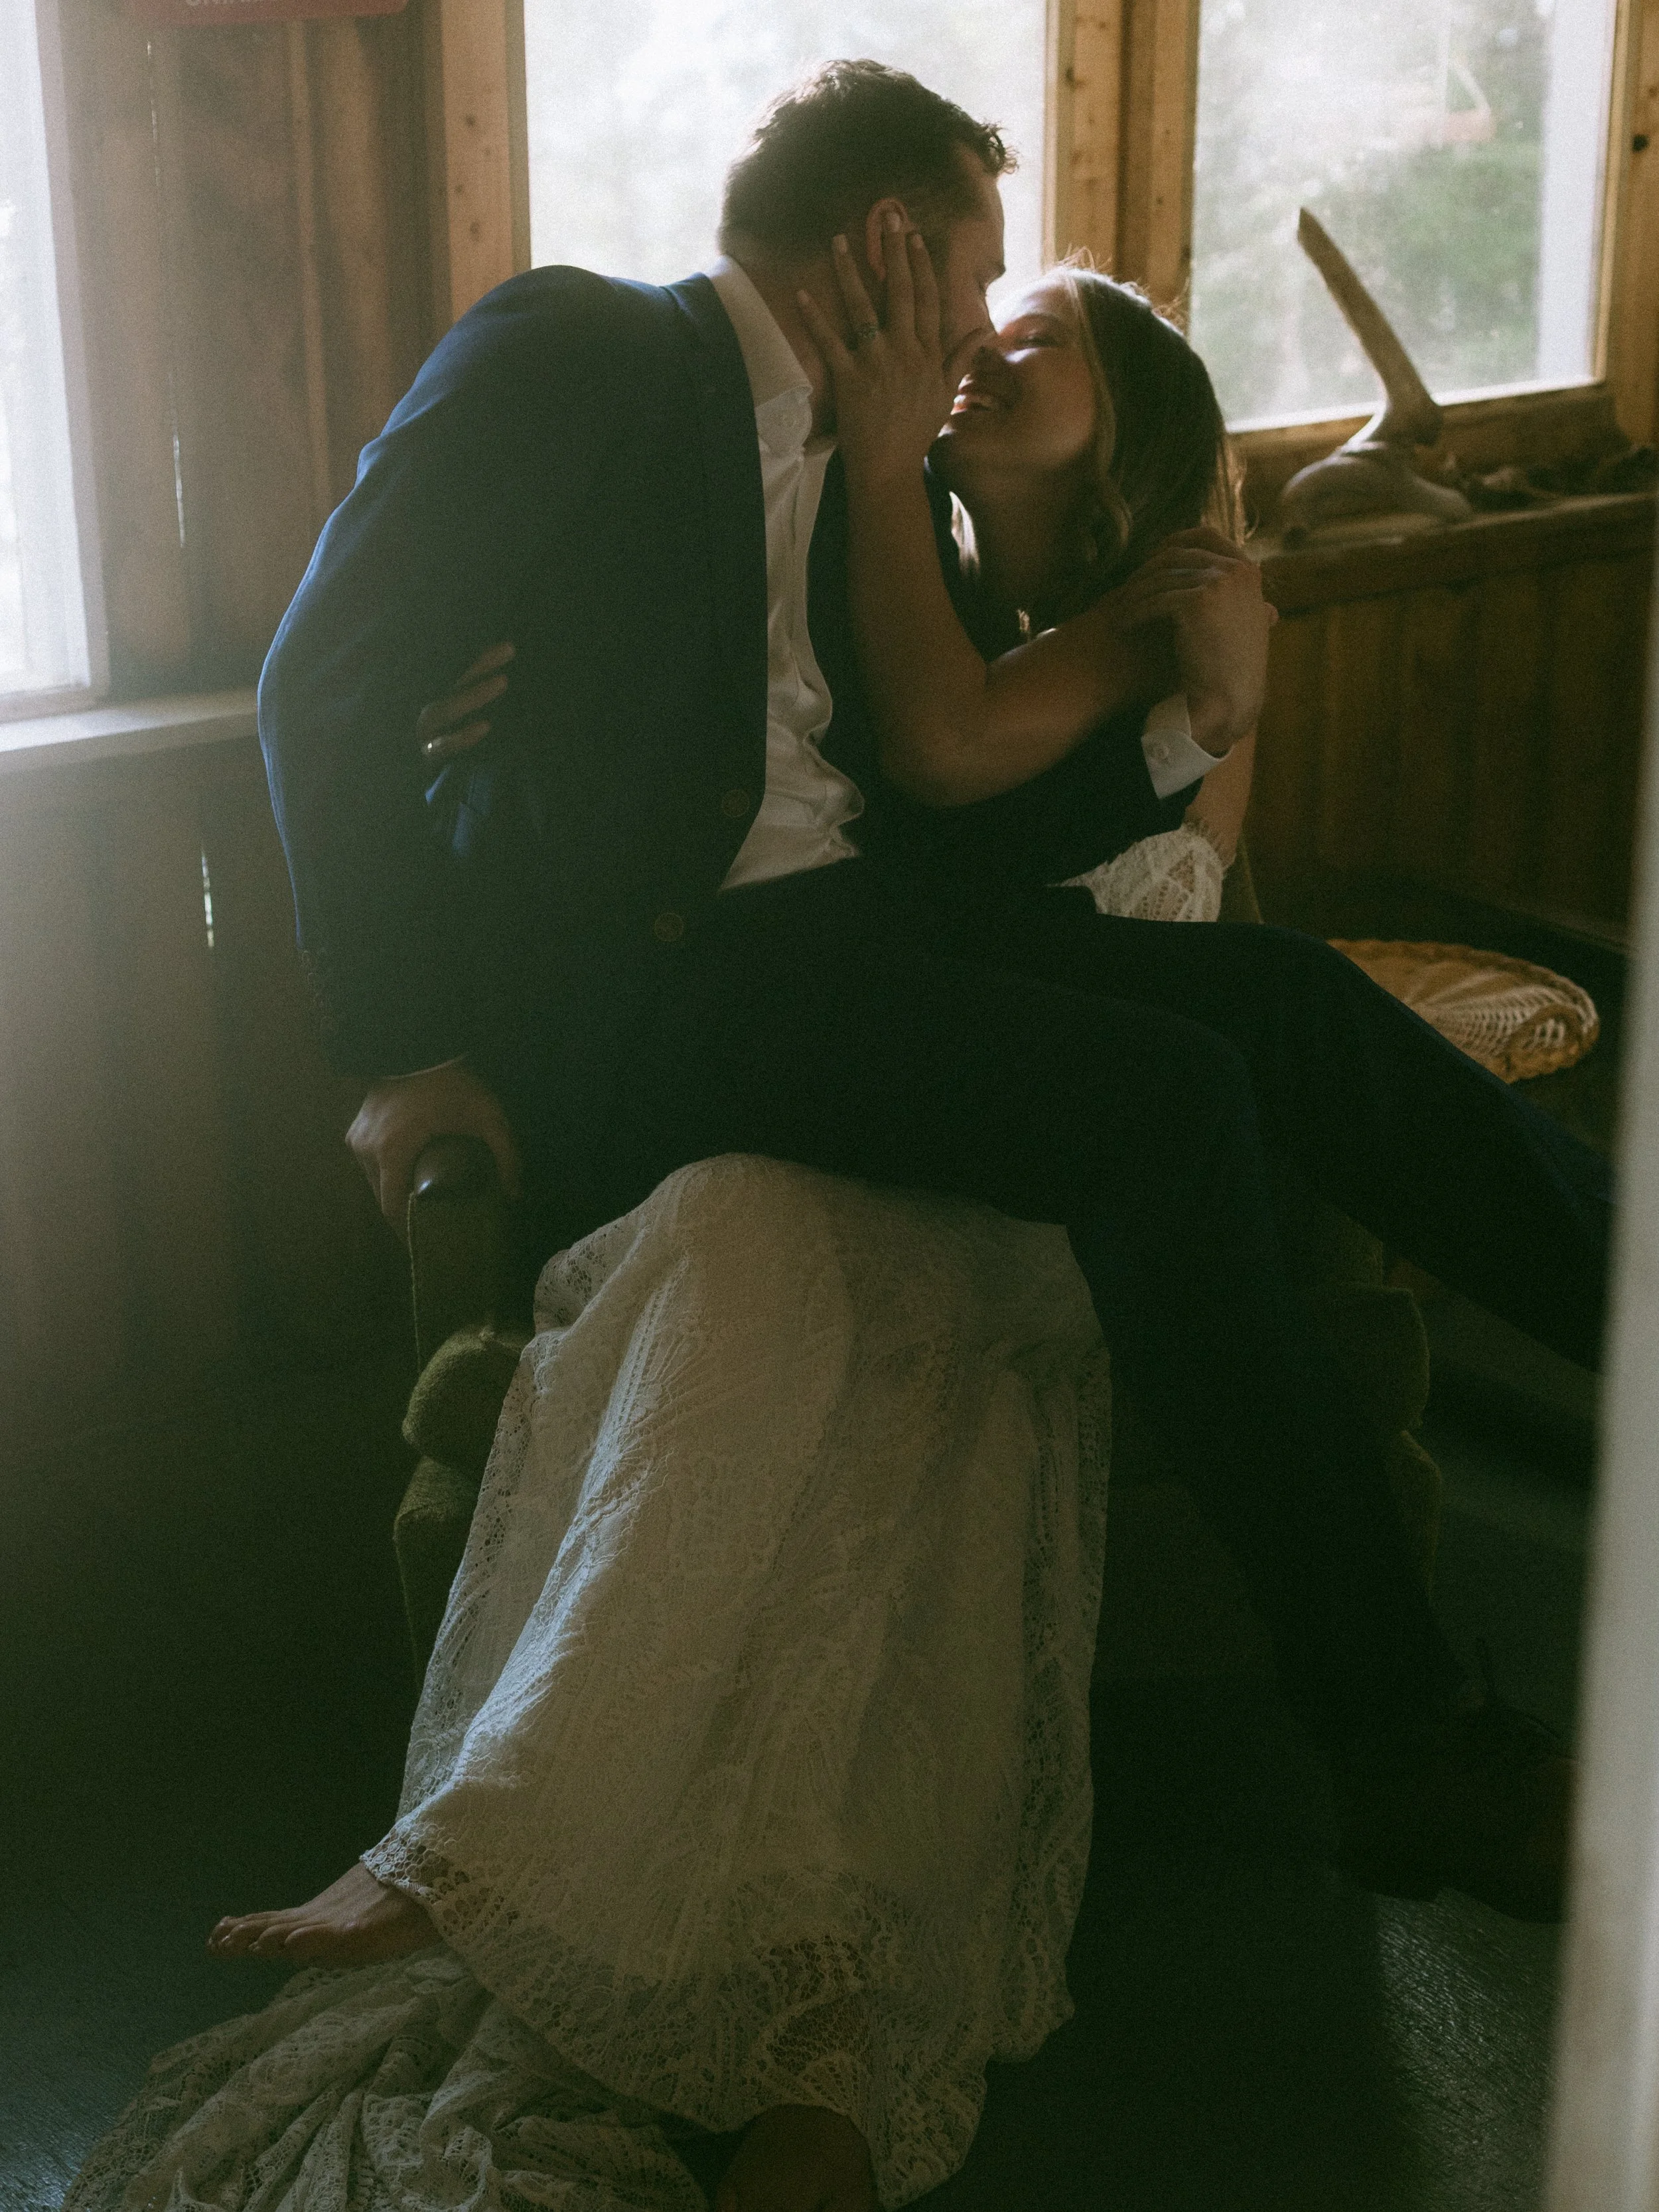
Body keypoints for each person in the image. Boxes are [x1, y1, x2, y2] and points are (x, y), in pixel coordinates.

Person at [66, 58, 1609, 2212]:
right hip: (663, 995)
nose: (985, 313)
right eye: (972, 260)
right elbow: (335, 666)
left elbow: (954, 777)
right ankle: (1401, 1737)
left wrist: (1187, 704)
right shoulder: (589, 346)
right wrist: (399, 1042)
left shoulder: (903, 484)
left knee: (1275, 1007)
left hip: (860, 954)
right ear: (877, 243)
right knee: (1162, 1098)